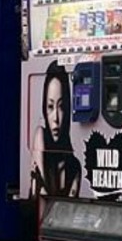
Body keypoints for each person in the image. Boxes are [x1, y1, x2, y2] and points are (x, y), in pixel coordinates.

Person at [29, 61, 81, 197]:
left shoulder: (74, 167)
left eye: (61, 107)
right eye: (50, 107)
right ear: (44, 109)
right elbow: (41, 194)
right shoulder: (40, 136)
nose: (56, 118)